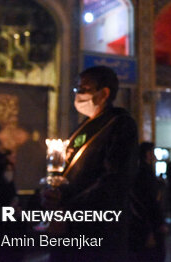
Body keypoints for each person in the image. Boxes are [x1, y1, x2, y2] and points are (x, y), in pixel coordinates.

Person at [41, 65, 138, 261]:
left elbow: (115, 180)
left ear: (103, 94)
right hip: (69, 227)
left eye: (83, 89)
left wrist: (69, 211)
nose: (77, 94)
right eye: (76, 89)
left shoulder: (120, 124)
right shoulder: (84, 126)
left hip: (97, 229)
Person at [129, 141, 167, 262]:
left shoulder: (141, 173)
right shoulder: (145, 175)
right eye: (152, 152)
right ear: (147, 154)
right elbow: (149, 204)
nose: (155, 157)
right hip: (150, 226)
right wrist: (152, 228)